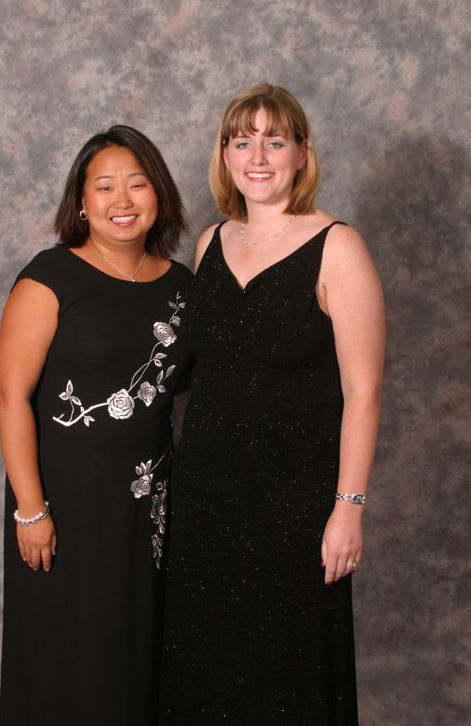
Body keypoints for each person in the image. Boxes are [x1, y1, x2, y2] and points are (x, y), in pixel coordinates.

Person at [160, 83, 385, 724]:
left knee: (285, 674)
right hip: (205, 496)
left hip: (294, 505)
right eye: (242, 140)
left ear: (302, 154)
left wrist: (349, 507)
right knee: (204, 666)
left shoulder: (338, 247)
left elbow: (363, 392)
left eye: (275, 141)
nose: (258, 156)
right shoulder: (210, 244)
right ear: (225, 155)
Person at [0, 125, 192, 726]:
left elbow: (187, 390)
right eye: (105, 186)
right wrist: (31, 509)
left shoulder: (184, 289)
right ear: (81, 201)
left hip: (145, 509)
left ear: (158, 193)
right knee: (65, 660)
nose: (123, 200)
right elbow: (10, 395)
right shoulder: (51, 277)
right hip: (61, 507)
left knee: (134, 660)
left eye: (137, 184)